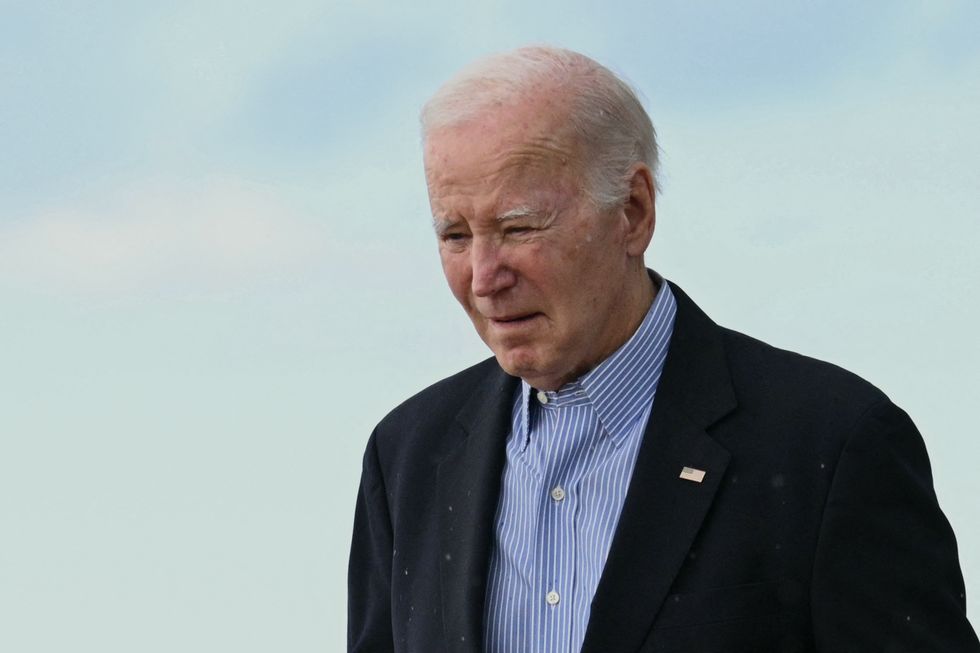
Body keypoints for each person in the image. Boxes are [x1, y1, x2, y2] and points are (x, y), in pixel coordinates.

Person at [347, 46, 979, 653]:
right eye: (455, 236)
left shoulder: (832, 443)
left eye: (518, 228)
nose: (483, 277)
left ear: (633, 211)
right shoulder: (407, 455)